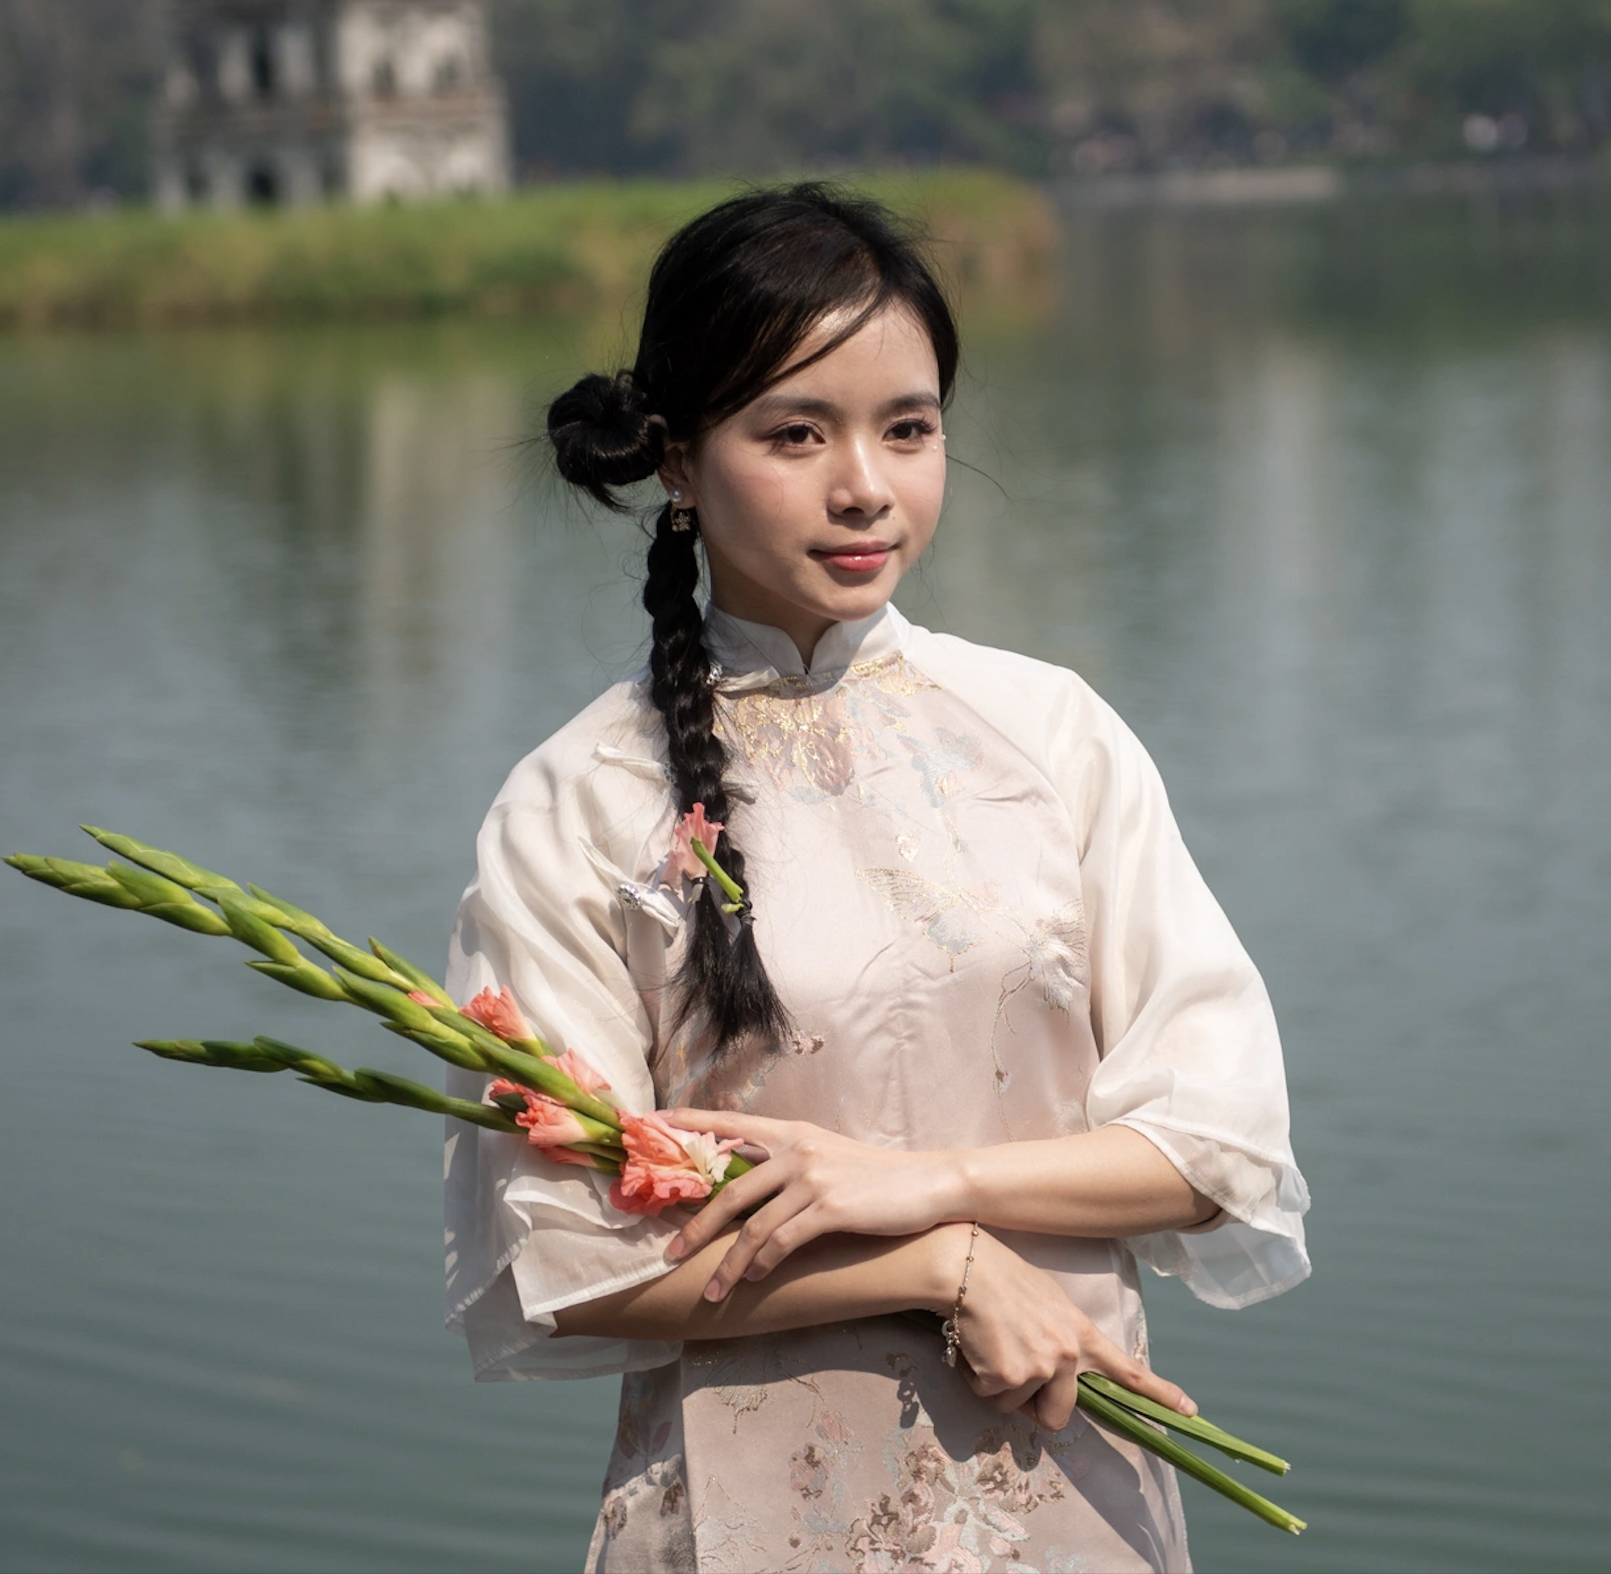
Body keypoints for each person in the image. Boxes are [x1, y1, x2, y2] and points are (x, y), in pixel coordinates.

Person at [442, 183, 1309, 1573]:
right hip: (748, 1524)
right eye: (797, 433)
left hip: (1073, 1489)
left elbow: (1217, 1144)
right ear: (675, 458)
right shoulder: (579, 802)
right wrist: (949, 1263)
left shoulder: (1052, 735)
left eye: (908, 428)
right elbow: (579, 1260)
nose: (866, 485)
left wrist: (920, 1183)